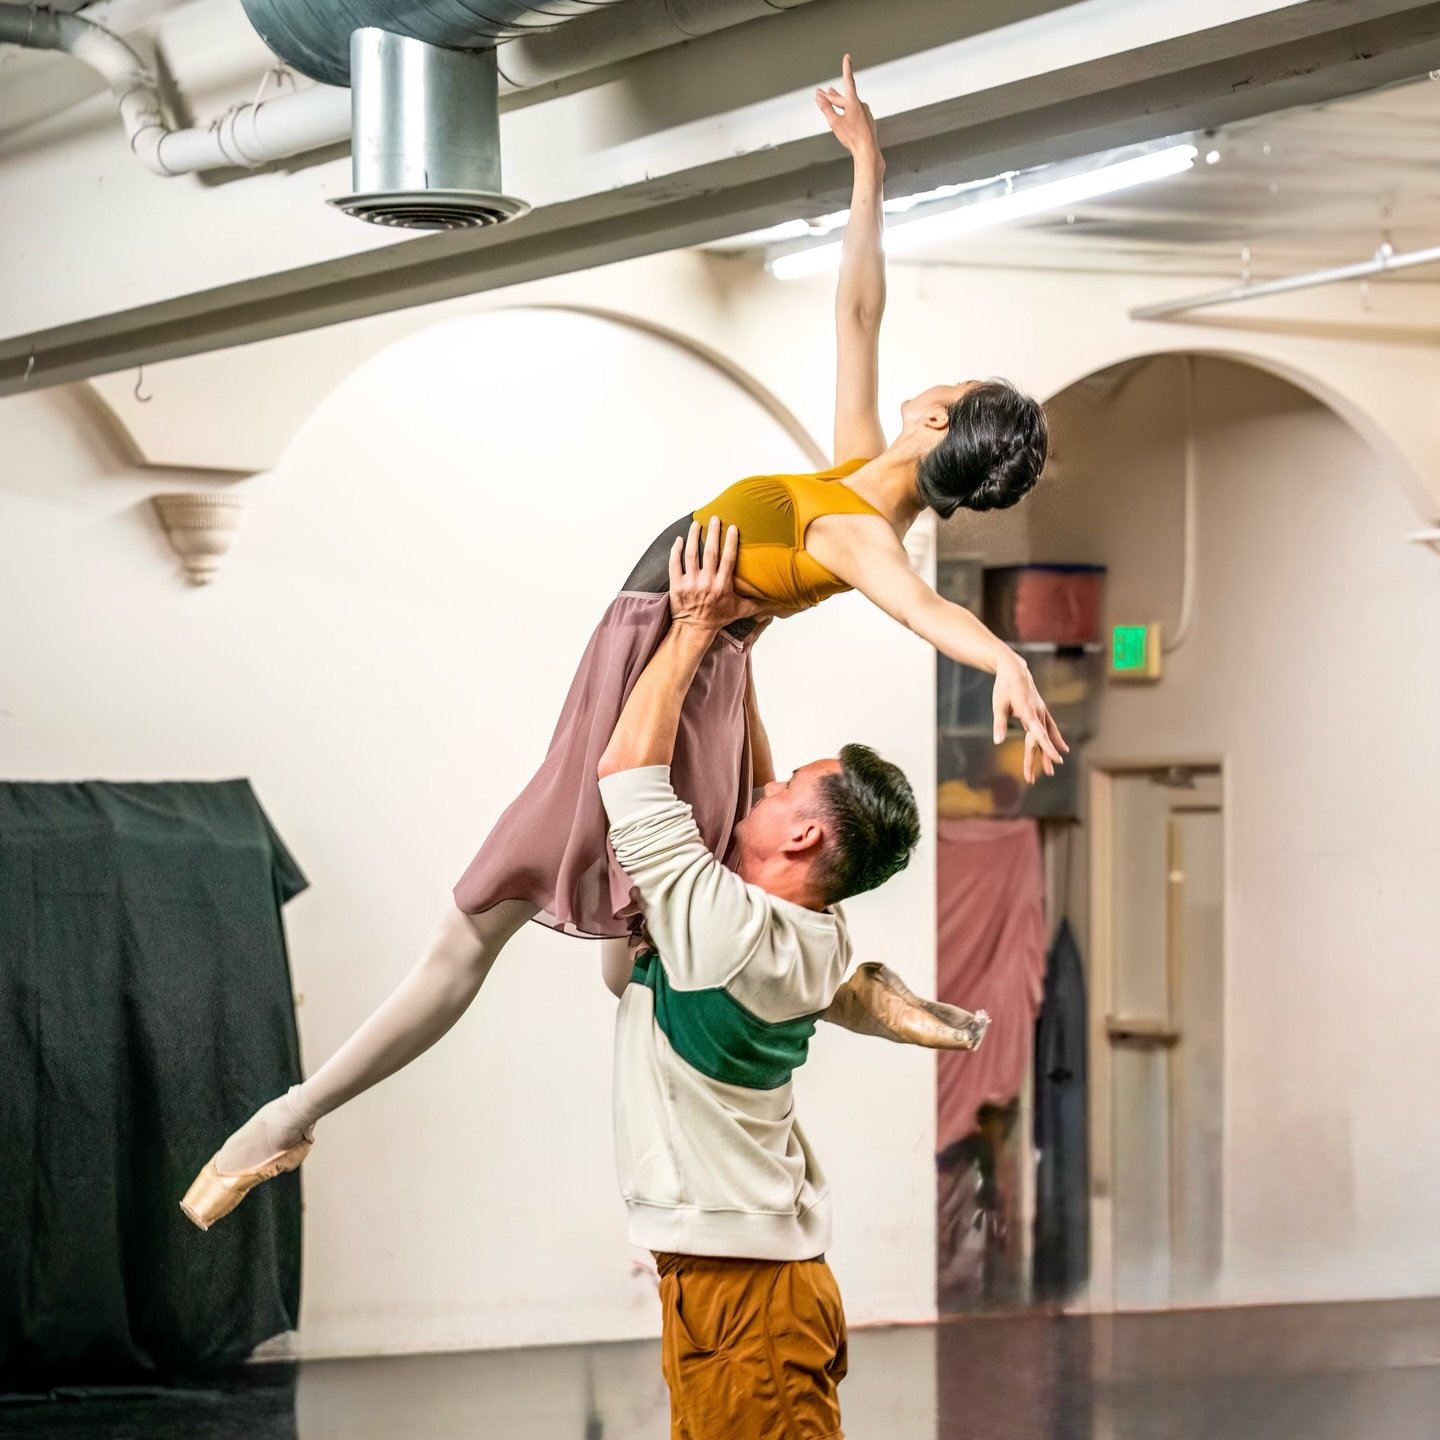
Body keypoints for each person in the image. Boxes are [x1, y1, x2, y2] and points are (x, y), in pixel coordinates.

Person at [180, 54, 1055, 1229]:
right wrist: (866, 169)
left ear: (940, 417)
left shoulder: (861, 532)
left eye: (953, 381)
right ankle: (844, 984)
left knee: (480, 927)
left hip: (666, 668)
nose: (933, 376)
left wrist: (1001, 657)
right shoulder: (858, 474)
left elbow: (918, 608)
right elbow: (858, 313)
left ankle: (288, 1120)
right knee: (631, 953)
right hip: (686, 666)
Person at [600, 514, 984, 1439]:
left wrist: (697, 628)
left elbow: (626, 773)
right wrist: (737, 662)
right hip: (731, 1278)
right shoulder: (805, 927)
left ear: (805, 835)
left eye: (785, 792)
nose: (763, 788)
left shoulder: (731, 931)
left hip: (750, 1296)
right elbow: (754, 781)